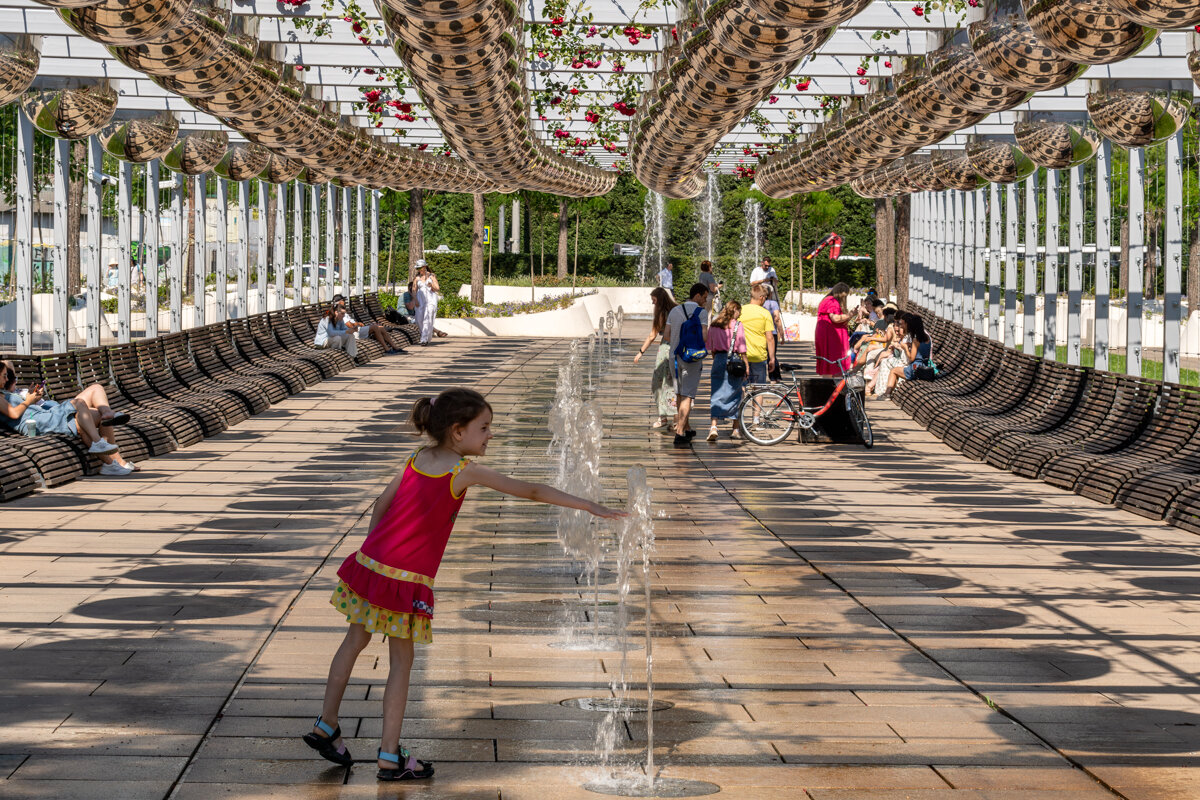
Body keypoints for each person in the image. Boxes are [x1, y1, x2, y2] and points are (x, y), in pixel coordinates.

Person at [302, 388, 624, 780]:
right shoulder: (463, 471)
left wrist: (375, 555)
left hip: (371, 567)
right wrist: (591, 506)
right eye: (484, 428)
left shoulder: (418, 458)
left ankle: (327, 724)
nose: (490, 435)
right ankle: (389, 756)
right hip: (405, 581)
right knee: (401, 663)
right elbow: (532, 491)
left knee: (354, 642)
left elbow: (382, 504)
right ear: (457, 432)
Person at [0, 361, 136, 475]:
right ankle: (99, 445)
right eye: (4, 376)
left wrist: (30, 397)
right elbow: (14, 414)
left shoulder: (4, 393)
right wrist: (28, 400)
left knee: (98, 415)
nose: (7, 380)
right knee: (79, 405)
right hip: (39, 422)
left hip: (45, 415)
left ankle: (111, 463)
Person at [666, 283, 710, 448]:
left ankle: (685, 426)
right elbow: (704, 337)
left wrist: (679, 343)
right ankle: (680, 433)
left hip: (675, 357)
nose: (705, 301)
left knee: (679, 392)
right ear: (697, 295)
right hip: (692, 359)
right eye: (704, 297)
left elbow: (667, 335)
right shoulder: (701, 313)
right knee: (688, 395)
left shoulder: (674, 311)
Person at [633, 288, 678, 430]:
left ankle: (662, 417)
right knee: (673, 383)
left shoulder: (662, 314)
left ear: (659, 299)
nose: (653, 304)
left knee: (658, 383)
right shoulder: (676, 309)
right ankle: (676, 419)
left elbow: (652, 335)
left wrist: (640, 352)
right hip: (678, 348)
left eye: (654, 301)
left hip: (666, 350)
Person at [704, 300, 746, 442]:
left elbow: (710, 346)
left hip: (718, 360)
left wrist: (717, 359)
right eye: (739, 311)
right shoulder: (737, 325)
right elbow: (742, 348)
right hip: (734, 361)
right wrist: (746, 365)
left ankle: (714, 426)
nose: (739, 314)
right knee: (736, 393)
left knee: (716, 393)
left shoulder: (715, 325)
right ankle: (735, 428)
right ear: (734, 310)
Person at [333, 294, 404, 354]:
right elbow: (349, 325)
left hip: (357, 329)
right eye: (343, 301)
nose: (345, 302)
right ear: (339, 302)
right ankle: (387, 349)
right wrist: (358, 323)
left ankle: (394, 347)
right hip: (354, 332)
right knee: (375, 327)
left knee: (380, 328)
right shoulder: (339, 312)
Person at [883, 313, 932, 397]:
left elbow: (912, 358)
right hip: (925, 366)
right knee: (897, 370)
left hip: (915, 369)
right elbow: (922, 350)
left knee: (894, 371)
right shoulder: (927, 338)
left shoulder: (916, 340)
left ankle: (887, 394)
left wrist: (905, 347)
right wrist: (911, 345)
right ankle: (891, 394)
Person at [740, 283, 776, 386]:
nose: (765, 300)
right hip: (758, 356)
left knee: (741, 387)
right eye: (765, 297)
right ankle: (757, 403)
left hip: (742, 355)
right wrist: (772, 358)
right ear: (761, 297)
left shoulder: (740, 310)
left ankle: (742, 402)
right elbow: (770, 338)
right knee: (759, 389)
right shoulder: (765, 313)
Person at [814, 282, 853, 376]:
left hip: (826, 332)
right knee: (835, 360)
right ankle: (835, 386)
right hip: (832, 335)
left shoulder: (826, 300)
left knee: (828, 360)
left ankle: (829, 384)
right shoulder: (832, 301)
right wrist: (851, 314)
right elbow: (835, 318)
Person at [413, 260, 440, 345]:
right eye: (417, 268)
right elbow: (414, 290)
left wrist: (431, 285)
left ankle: (424, 339)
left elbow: (437, 288)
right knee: (419, 319)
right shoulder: (417, 278)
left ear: (424, 267)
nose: (418, 270)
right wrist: (415, 300)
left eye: (419, 268)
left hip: (431, 299)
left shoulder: (431, 276)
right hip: (420, 299)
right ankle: (426, 336)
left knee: (427, 318)